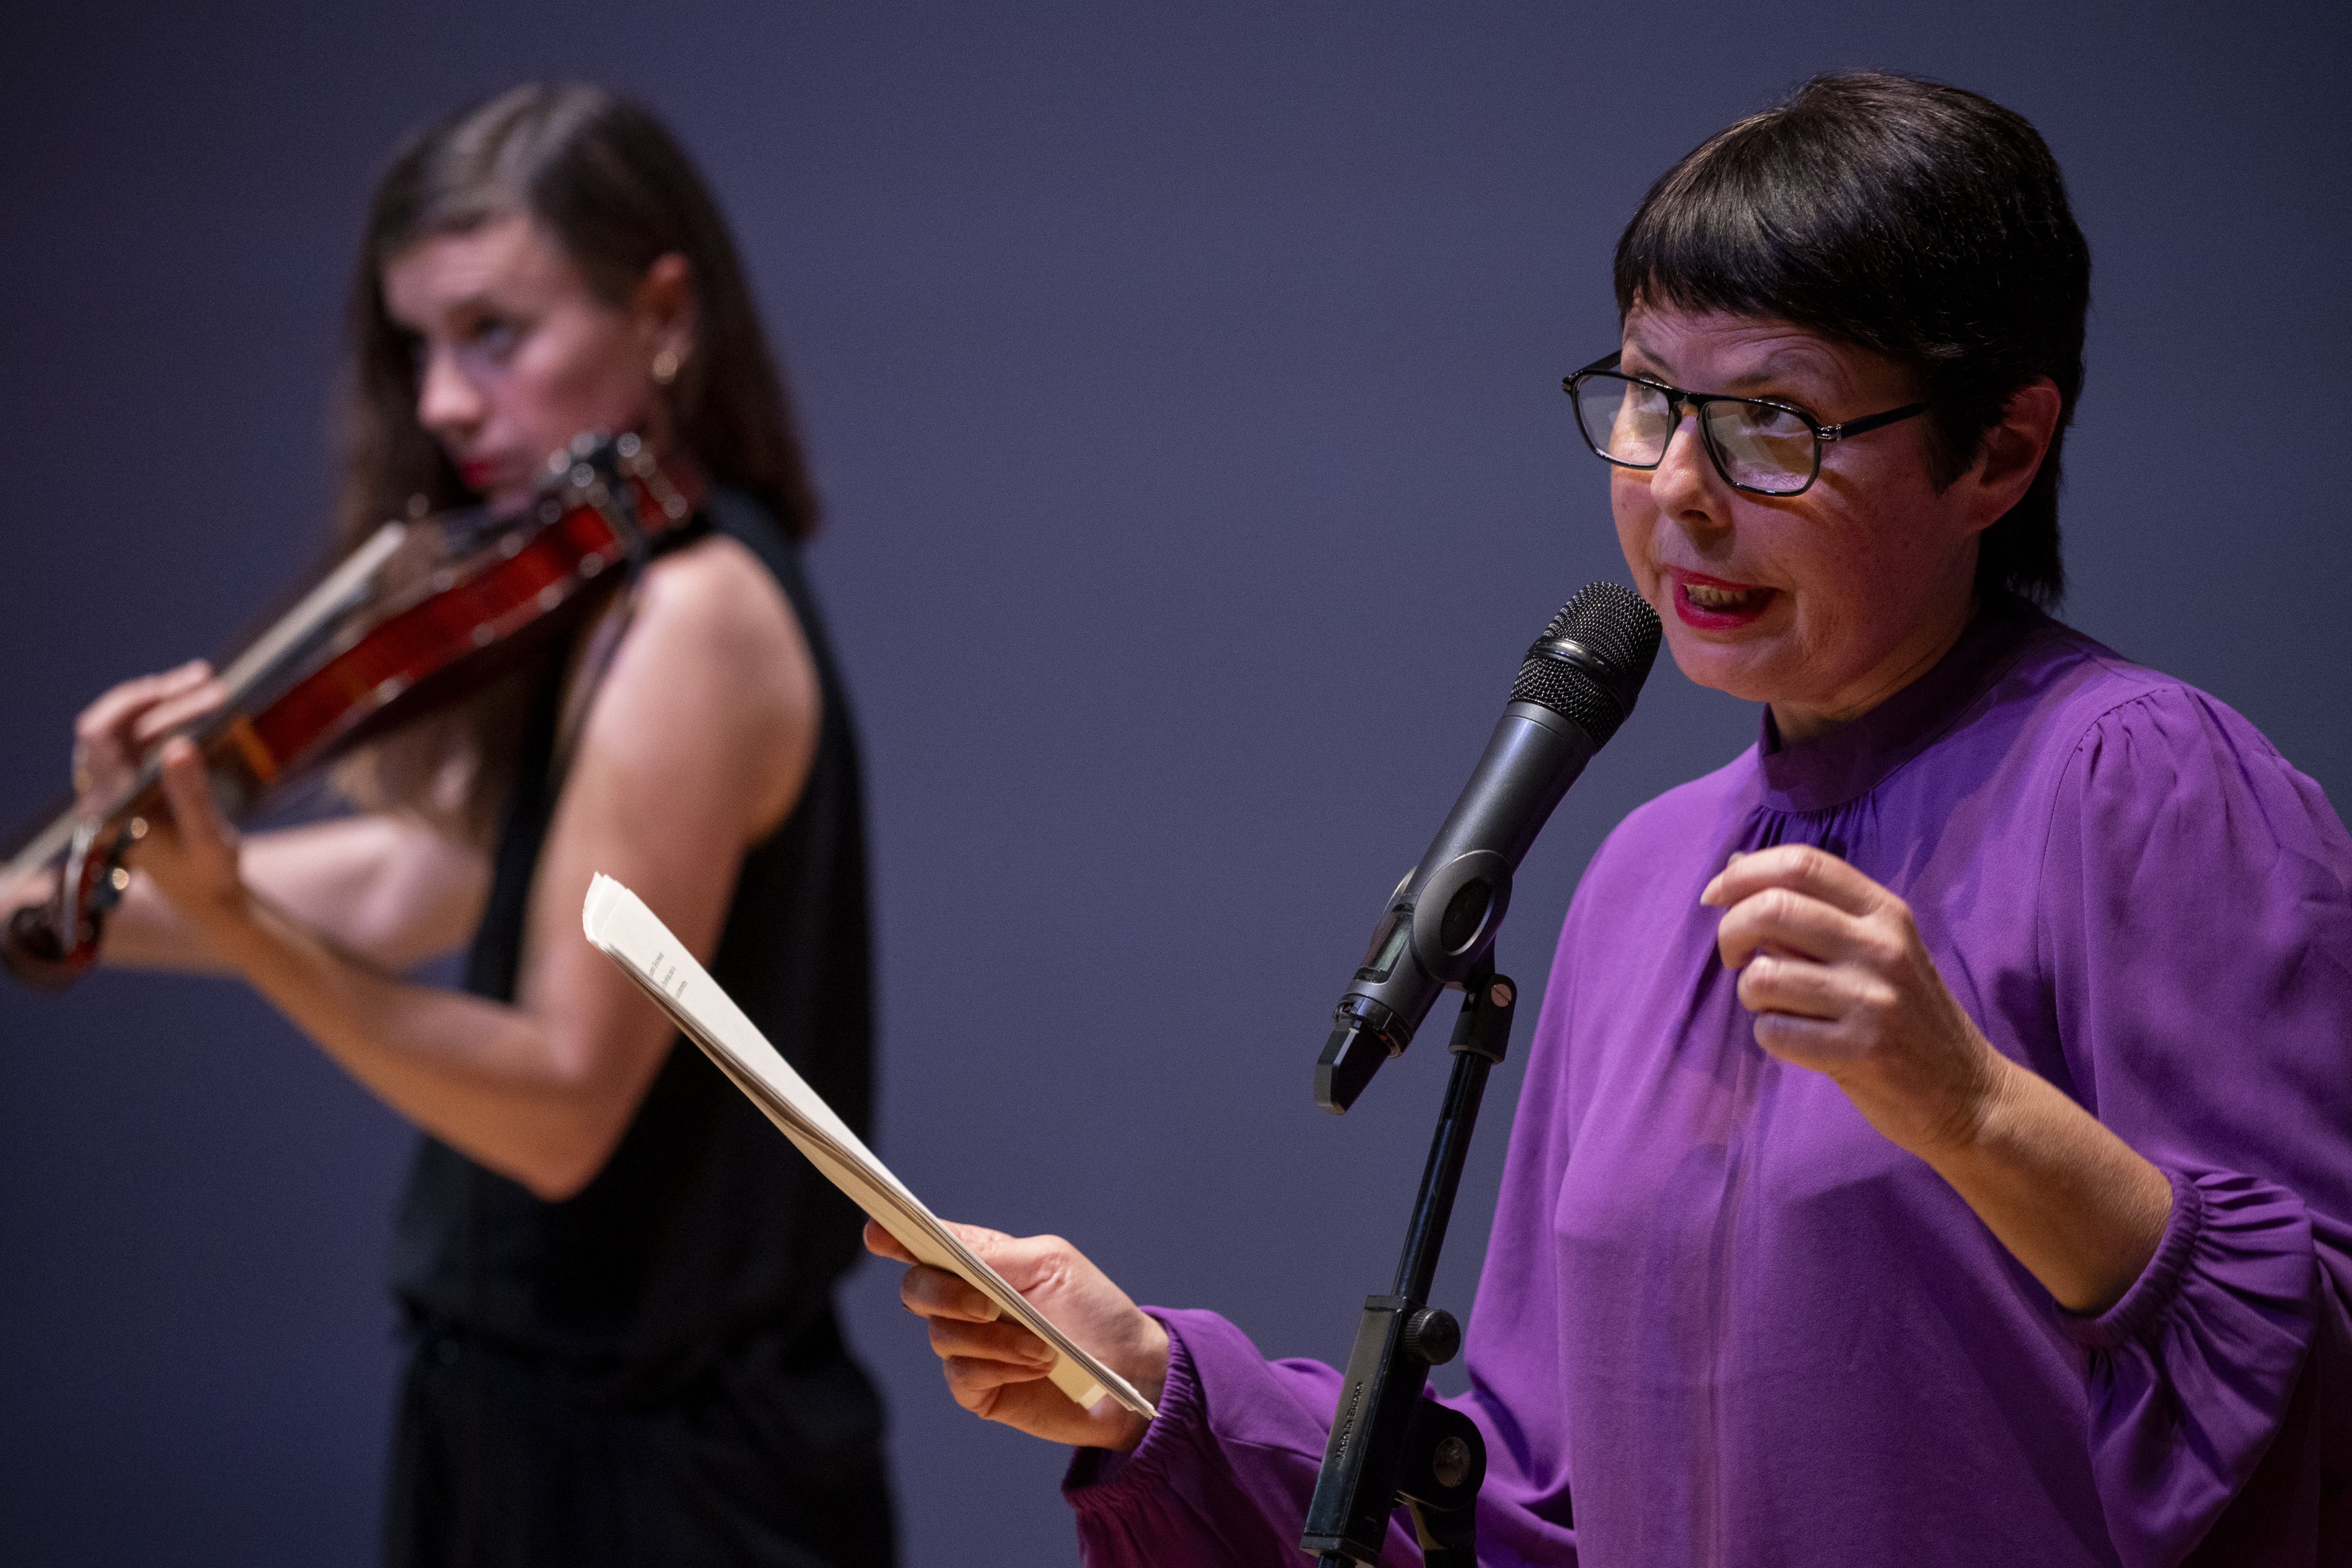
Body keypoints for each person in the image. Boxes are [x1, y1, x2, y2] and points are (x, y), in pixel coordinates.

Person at [869, 71, 2352, 1566]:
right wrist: (1156, 1390)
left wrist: (1975, 1111)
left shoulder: (2144, 785)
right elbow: (1536, 1505)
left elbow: (2318, 1388)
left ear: (2001, 452)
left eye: (1775, 421)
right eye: (1651, 399)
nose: (1682, 493)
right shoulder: (1648, 879)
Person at [11, 84, 895, 1567]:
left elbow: (557, 1107)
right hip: (544, 1431)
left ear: (665, 313)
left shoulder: (689, 619)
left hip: (662, 1478)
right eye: (419, 346)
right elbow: (422, 875)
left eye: (496, 333)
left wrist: (234, 917)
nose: (440, 402)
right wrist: (76, 884)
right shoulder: (602, 593)